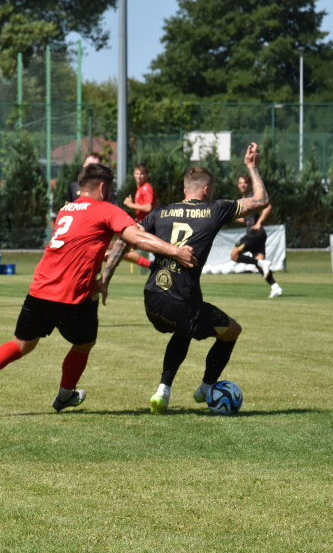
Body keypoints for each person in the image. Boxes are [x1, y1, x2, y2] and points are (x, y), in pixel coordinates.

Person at [0, 162, 198, 416]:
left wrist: (99, 280)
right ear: (103, 187)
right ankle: (65, 395)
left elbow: (77, 251)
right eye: (110, 188)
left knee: (21, 344)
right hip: (70, 298)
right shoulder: (106, 209)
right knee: (84, 344)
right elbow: (134, 237)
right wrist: (175, 251)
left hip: (39, 289)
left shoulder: (66, 210)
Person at [102, 143, 269, 415]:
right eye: (211, 191)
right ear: (206, 190)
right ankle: (206, 388)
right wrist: (252, 167)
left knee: (184, 328)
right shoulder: (214, 209)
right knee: (232, 331)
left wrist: (105, 280)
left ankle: (162, 392)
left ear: (184, 190)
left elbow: (123, 240)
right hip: (181, 302)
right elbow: (261, 200)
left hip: (152, 299)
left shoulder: (161, 212)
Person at [230, 173, 282, 298]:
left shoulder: (252, 197)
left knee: (234, 255)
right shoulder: (244, 200)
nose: (243, 185)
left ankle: (261, 263)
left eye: (245, 183)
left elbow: (268, 206)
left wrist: (259, 223)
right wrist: (231, 217)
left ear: (249, 185)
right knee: (261, 266)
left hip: (255, 233)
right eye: (241, 182)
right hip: (258, 235)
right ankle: (275, 287)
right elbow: (245, 220)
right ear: (238, 185)